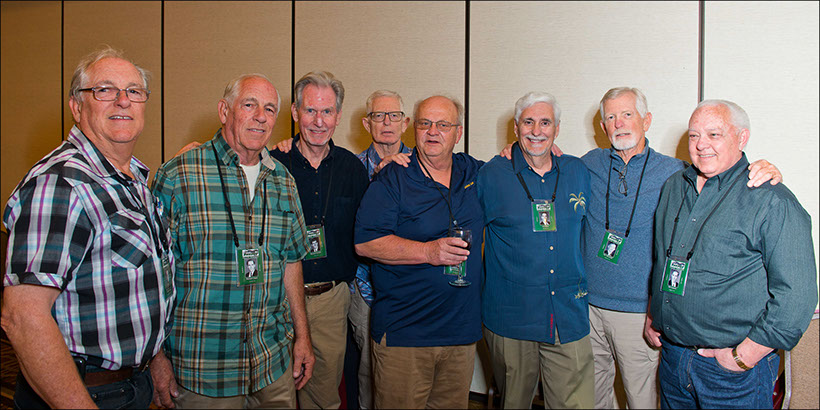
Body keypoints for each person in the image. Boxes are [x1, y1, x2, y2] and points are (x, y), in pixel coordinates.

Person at [579, 88, 783, 409]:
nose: (619, 123)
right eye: (611, 117)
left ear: (646, 120)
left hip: (639, 312)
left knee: (642, 400)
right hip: (588, 307)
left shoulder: (676, 173)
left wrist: (762, 170)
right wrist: (514, 149)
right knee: (592, 397)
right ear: (603, 126)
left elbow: (721, 169)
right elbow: (545, 165)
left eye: (628, 114)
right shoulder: (586, 165)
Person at [1, 47, 174, 409]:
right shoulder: (61, 183)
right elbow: (23, 318)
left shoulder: (133, 178)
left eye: (134, 91)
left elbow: (139, 285)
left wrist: (154, 360)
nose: (123, 101)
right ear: (76, 107)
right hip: (82, 392)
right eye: (104, 90)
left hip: (130, 384)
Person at [150, 74, 314, 408]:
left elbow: (291, 262)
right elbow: (152, 276)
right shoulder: (179, 175)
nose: (261, 117)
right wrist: (155, 358)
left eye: (270, 109)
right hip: (204, 369)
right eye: (249, 105)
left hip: (272, 362)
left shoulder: (283, 180)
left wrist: (303, 336)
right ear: (225, 111)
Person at [645, 99, 817, 409]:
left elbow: (797, 296)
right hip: (673, 360)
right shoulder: (673, 187)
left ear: (742, 138)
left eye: (714, 134)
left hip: (731, 373)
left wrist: (743, 356)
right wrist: (653, 312)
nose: (701, 144)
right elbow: (661, 259)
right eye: (694, 135)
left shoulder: (771, 200)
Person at [355, 95, 483, 408]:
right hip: (406, 334)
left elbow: (519, 168)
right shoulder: (393, 177)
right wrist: (428, 252)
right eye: (425, 123)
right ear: (415, 129)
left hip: (460, 333)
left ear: (458, 132)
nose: (433, 131)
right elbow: (366, 242)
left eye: (443, 124)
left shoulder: (474, 172)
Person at [479, 92, 594, 409]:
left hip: (567, 315)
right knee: (514, 402)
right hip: (511, 318)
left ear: (557, 128)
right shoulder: (491, 175)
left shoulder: (578, 171)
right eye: (528, 122)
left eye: (545, 123)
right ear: (516, 127)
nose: (536, 131)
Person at [270, 71, 369, 409]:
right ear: (295, 112)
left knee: (323, 397)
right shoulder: (273, 163)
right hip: (276, 299)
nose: (318, 121)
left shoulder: (352, 169)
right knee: (274, 396)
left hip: (330, 300)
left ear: (338, 116)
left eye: (327, 111)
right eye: (310, 110)